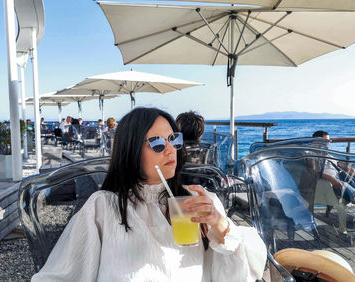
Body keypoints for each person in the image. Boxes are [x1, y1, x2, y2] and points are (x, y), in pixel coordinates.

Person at [32, 107, 266, 281]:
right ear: (131, 149)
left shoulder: (200, 202)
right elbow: (60, 276)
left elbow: (243, 272)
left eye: (174, 139)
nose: (170, 150)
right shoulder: (102, 208)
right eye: (156, 144)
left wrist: (219, 225)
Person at [313, 131, 355, 211]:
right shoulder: (311, 155)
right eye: (326, 141)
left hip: (340, 179)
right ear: (315, 141)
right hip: (333, 183)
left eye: (329, 141)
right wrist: (332, 179)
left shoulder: (327, 154)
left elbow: (344, 166)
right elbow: (313, 171)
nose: (328, 143)